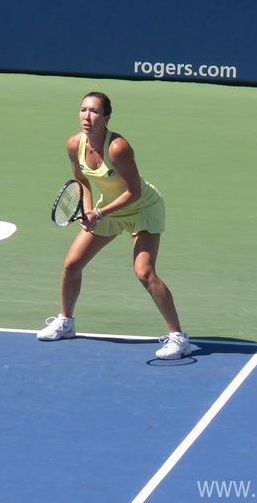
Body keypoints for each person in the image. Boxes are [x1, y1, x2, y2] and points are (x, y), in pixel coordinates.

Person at [38, 92, 190, 360]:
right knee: (71, 265)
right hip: (106, 208)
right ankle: (66, 323)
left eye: (94, 111)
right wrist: (88, 210)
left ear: (106, 117)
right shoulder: (74, 144)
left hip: (143, 208)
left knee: (144, 272)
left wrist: (100, 212)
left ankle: (179, 337)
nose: (87, 116)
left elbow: (134, 192)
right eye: (83, 110)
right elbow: (81, 181)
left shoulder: (117, 148)